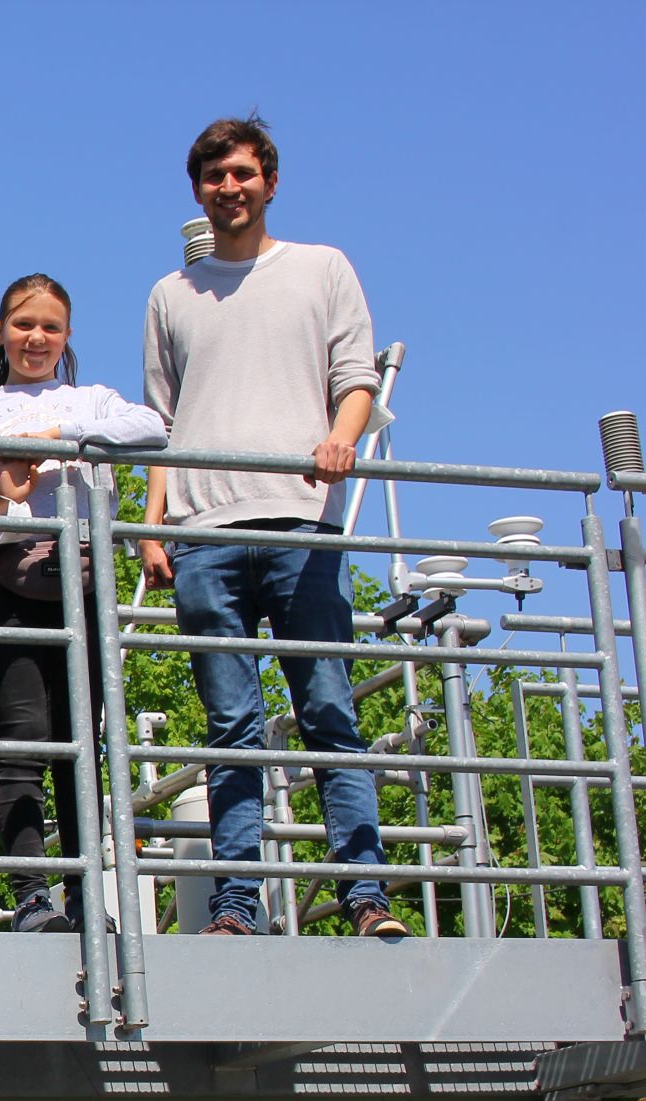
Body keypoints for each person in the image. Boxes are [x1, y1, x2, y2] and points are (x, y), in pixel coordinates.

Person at [139, 114, 407, 939]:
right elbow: (162, 422)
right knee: (233, 728)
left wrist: (342, 437)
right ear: (198, 191)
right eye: (215, 177)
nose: (230, 188)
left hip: (301, 523)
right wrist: (152, 527)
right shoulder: (171, 296)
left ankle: (366, 896)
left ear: (271, 181)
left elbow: (355, 377)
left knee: (329, 711)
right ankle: (235, 907)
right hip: (204, 534)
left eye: (244, 173)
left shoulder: (322, 268)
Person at [0, 274, 167, 933]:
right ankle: (32, 896)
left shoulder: (94, 400)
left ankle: (87, 895)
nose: (36, 338)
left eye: (51, 327)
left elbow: (152, 429)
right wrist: (3, 495)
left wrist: (60, 435)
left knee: (82, 745)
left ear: (67, 337)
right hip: (0, 594)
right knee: (24, 739)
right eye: (23, 325)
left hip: (83, 586)